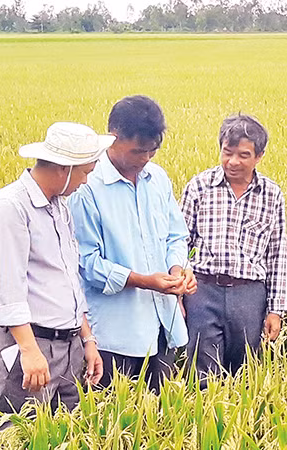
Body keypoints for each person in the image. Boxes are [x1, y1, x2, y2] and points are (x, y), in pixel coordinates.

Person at [0, 122, 107, 420]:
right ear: (64, 169)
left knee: (68, 431)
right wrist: (29, 350)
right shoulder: (9, 208)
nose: (86, 182)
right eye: (84, 172)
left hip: (69, 347)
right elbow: (6, 288)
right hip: (31, 348)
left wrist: (87, 340)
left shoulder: (59, 207)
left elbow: (68, 280)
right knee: (19, 432)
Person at [69, 95, 196, 394]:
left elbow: (176, 236)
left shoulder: (158, 179)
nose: (145, 158)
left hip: (163, 325)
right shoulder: (87, 187)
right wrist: (143, 281)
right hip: (114, 336)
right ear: (113, 138)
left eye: (152, 151)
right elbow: (86, 262)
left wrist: (177, 271)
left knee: (162, 412)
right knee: (111, 414)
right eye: (138, 151)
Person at [180, 114, 287, 385]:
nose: (232, 162)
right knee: (202, 373)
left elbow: (276, 255)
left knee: (244, 372)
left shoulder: (271, 195)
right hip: (203, 291)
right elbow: (180, 242)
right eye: (227, 152)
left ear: (259, 156)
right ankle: (203, 411)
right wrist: (178, 294)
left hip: (249, 294)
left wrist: (276, 310)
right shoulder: (199, 187)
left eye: (243, 155)